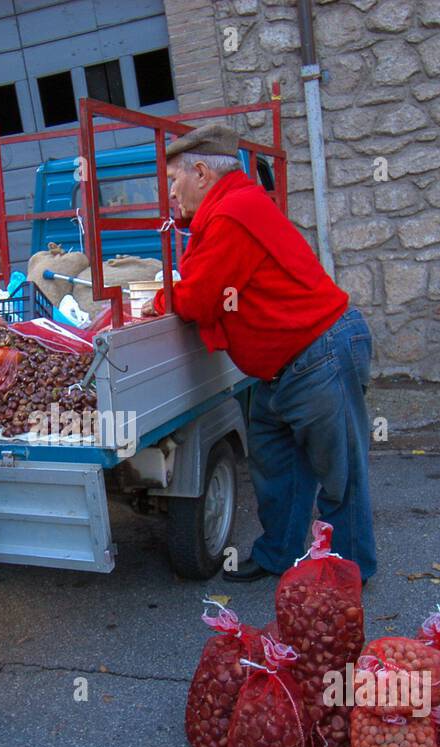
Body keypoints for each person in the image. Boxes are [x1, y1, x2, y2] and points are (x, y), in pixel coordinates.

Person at [143, 123, 376, 583]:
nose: (170, 192)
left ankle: (347, 578)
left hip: (318, 353)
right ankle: (279, 557)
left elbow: (197, 299)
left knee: (339, 475)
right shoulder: (231, 209)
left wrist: (156, 301)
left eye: (174, 180)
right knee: (276, 466)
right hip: (286, 365)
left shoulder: (231, 214)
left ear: (203, 172)